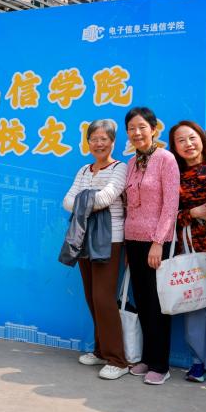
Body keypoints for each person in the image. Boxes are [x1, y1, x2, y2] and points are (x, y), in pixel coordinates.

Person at [62, 119, 129, 380]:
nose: (98, 144)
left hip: (109, 239)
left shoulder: (120, 168)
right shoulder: (83, 170)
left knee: (103, 297)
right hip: (82, 237)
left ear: (113, 142)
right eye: (94, 139)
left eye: (104, 139)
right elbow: (66, 201)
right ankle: (101, 350)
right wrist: (90, 198)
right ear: (88, 142)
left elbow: (106, 197)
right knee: (91, 296)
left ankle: (118, 360)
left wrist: (85, 198)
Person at [168, 120, 206, 389]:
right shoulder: (173, 175)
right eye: (181, 140)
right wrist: (191, 213)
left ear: (202, 140)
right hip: (188, 250)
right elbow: (165, 215)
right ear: (174, 147)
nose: (188, 144)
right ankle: (197, 362)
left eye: (192, 138)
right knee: (192, 305)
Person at [122, 107, 180, 385]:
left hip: (157, 242)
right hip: (133, 240)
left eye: (142, 127)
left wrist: (158, 242)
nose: (137, 132)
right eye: (131, 128)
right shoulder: (132, 162)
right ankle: (146, 358)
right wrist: (127, 246)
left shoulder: (166, 159)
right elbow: (129, 205)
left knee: (158, 305)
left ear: (154, 129)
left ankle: (160, 364)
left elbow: (170, 205)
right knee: (143, 302)